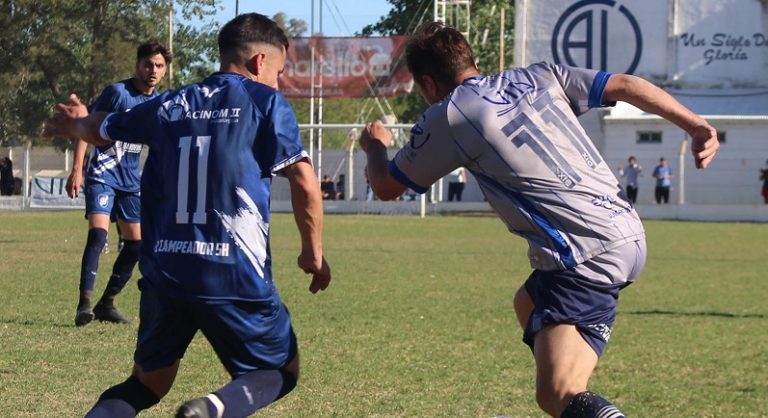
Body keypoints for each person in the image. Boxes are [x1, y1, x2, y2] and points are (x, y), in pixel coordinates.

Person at [359, 22, 718, 418]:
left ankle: (575, 401)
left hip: (583, 252)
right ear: (470, 60)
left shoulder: (450, 114)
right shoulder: (539, 74)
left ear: (427, 84)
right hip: (627, 232)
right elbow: (626, 84)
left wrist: (376, 146)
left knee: (557, 392)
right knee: (528, 302)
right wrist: (696, 125)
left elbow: (387, 186)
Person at [44, 12, 331, 418]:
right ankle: (210, 411)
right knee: (281, 369)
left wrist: (77, 126)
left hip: (166, 272)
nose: (279, 81)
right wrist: (312, 252)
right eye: (280, 71)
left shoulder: (170, 102)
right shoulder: (266, 102)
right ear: (260, 62)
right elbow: (304, 182)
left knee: (146, 384)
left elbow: (100, 127)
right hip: (233, 272)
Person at [64, 40, 171, 327]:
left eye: (159, 66)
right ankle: (83, 304)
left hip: (130, 181)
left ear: (165, 71)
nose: (153, 70)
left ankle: (106, 303)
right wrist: (77, 169)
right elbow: (86, 125)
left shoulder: (159, 103)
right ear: (138, 65)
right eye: (148, 64)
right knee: (98, 237)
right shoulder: (117, 93)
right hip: (102, 173)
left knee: (135, 244)